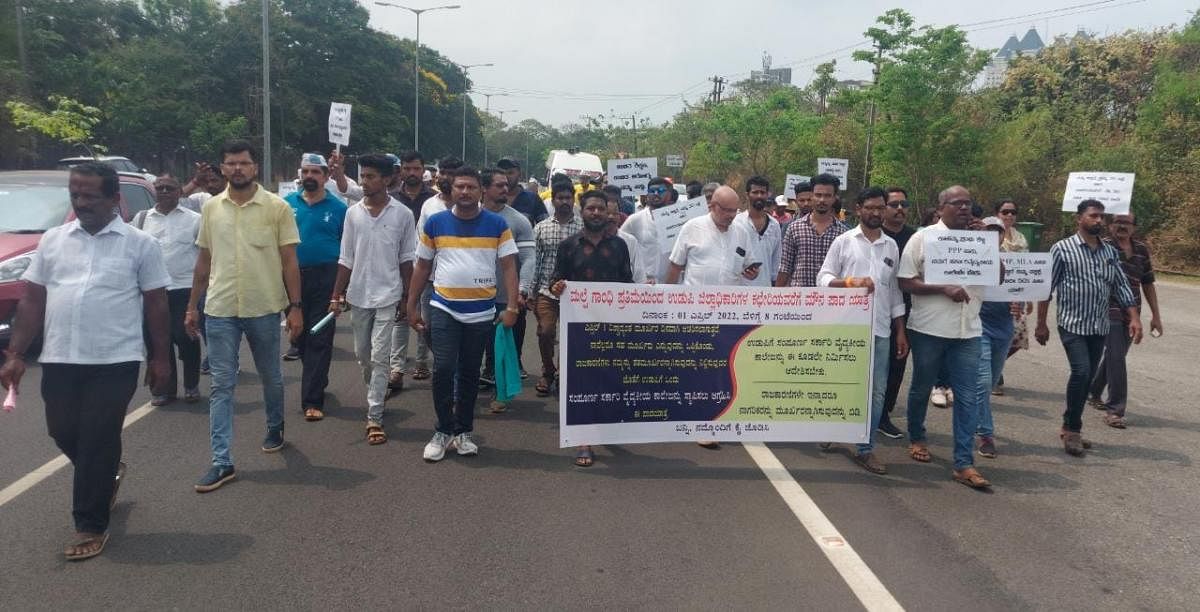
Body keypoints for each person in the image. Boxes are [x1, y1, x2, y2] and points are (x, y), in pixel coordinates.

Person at [0, 162, 172, 561]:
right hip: (60, 356)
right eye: (75, 195)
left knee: (97, 435)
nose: (81, 203)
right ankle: (106, 472)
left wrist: (160, 359)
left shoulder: (140, 244)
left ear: (114, 199)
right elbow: (33, 300)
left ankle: (90, 523)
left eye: (90, 196)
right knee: (61, 430)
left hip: (116, 358)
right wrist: (15, 354)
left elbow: (157, 305)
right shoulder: (53, 241)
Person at [185, 140, 303, 492]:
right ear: (223, 168)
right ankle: (222, 461)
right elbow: (204, 261)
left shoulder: (277, 208)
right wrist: (192, 305)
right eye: (231, 163)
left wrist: (294, 308)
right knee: (222, 384)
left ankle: (275, 424)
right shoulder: (211, 209)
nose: (238, 169)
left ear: (255, 168)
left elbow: (289, 261)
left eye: (244, 163)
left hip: (264, 307)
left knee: (271, 376)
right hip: (219, 309)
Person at [405, 167, 519, 462]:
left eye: (471, 187)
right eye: (460, 187)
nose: (465, 192)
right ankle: (443, 430)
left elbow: (509, 266)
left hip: (481, 312)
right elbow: (421, 267)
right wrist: (411, 303)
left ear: (481, 190)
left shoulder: (496, 224)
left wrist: (512, 307)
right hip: (443, 308)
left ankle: (463, 432)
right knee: (443, 368)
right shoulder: (435, 222)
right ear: (450, 190)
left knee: (469, 373)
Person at [897, 185, 991, 489]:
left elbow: (999, 276)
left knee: (968, 395)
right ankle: (918, 437)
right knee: (922, 386)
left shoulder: (981, 240)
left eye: (968, 203)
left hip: (969, 330)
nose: (964, 208)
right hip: (929, 329)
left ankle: (963, 463)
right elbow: (905, 281)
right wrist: (942, 288)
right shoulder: (922, 239)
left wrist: (990, 243)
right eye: (957, 203)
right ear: (941, 208)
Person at [1036, 200, 1141, 455]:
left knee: (1086, 378)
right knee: (1082, 373)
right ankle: (1073, 430)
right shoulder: (1062, 249)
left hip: (1100, 325)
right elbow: (1046, 288)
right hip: (1072, 324)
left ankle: (1068, 423)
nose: (1099, 221)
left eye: (1102, 217)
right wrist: (1041, 324)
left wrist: (1134, 317)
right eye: (1094, 216)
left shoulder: (1109, 252)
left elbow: (1121, 287)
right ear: (1079, 219)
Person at [817, 187, 908, 474]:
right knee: (843, 385)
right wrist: (848, 283)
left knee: (877, 392)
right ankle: (835, 428)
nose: (876, 212)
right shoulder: (844, 242)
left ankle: (865, 448)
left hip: (880, 330)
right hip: (846, 329)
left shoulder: (891, 246)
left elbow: (894, 292)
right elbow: (824, 277)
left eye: (881, 207)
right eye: (870, 207)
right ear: (858, 209)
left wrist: (900, 331)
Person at [329, 154, 417, 445]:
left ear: (387, 179)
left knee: (380, 357)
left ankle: (374, 415)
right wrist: (336, 294)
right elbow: (346, 258)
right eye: (362, 176)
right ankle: (375, 392)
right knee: (362, 355)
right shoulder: (353, 213)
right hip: (358, 294)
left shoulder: (403, 214)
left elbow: (407, 260)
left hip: (389, 294)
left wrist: (408, 297)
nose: (364, 182)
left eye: (370, 176)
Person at [665, 186, 760, 448]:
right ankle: (699, 420)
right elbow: (675, 267)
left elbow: (749, 265)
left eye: (735, 210)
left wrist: (750, 271)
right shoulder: (692, 227)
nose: (732, 215)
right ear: (712, 206)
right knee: (697, 367)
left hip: (728, 314)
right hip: (694, 312)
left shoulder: (742, 230)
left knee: (722, 368)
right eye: (727, 210)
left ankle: (713, 419)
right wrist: (667, 303)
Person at [548, 190, 635, 466]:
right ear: (581, 212)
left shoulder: (619, 246)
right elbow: (555, 282)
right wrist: (558, 287)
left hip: (611, 326)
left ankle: (604, 425)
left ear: (608, 213)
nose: (596, 213)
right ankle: (583, 440)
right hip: (579, 328)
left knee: (608, 378)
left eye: (601, 209)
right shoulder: (568, 246)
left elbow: (626, 284)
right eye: (591, 209)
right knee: (580, 381)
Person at [283, 153, 347, 422]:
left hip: (326, 278)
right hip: (292, 278)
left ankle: (312, 399)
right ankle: (316, 378)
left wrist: (342, 290)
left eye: (316, 172)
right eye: (306, 171)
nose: (310, 177)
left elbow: (348, 251)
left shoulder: (340, 208)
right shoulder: (285, 206)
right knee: (299, 336)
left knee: (319, 336)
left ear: (326, 176)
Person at [1087, 212, 1162, 428]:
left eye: (1127, 223)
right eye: (1118, 222)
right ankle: (1115, 410)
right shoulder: (1101, 246)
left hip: (1132, 313)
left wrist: (1156, 316)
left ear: (1134, 228)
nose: (1122, 226)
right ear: (1110, 225)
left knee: (1115, 354)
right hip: (1106, 308)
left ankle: (1093, 391)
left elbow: (1147, 283)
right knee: (1117, 356)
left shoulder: (1141, 250)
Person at [135, 175, 203, 406]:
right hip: (153, 292)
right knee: (155, 341)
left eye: (169, 188)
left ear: (179, 192)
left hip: (184, 290)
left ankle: (191, 385)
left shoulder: (195, 220)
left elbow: (205, 256)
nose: (164, 191)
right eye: (159, 188)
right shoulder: (142, 219)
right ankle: (163, 389)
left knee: (185, 338)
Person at [478, 167, 535, 413]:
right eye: (499, 185)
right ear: (484, 189)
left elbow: (528, 258)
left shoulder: (518, 220)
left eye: (506, 185)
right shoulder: (468, 216)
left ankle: (500, 393)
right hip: (472, 297)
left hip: (505, 297)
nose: (505, 189)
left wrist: (522, 290)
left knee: (501, 347)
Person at [388, 150, 436, 391]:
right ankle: (396, 368)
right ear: (401, 171)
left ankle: (421, 361)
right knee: (401, 314)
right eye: (407, 169)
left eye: (416, 168)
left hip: (425, 265)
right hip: (398, 264)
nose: (411, 173)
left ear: (423, 169)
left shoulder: (433, 200)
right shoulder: (391, 199)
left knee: (422, 316)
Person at [530, 180, 582, 396]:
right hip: (546, 290)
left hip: (576, 293)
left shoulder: (582, 228)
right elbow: (535, 260)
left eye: (568, 198)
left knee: (572, 337)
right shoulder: (541, 227)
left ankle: (564, 374)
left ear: (573, 200)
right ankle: (548, 371)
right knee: (546, 331)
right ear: (553, 200)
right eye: (560, 198)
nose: (564, 202)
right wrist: (530, 291)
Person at [974, 217, 1017, 459]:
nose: (994, 235)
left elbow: (1023, 291)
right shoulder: (972, 254)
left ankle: (971, 413)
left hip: (1004, 328)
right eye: (988, 231)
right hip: (979, 325)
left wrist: (1020, 305)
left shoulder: (1014, 259)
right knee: (982, 381)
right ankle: (986, 434)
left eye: (998, 231)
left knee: (988, 385)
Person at [878, 186, 916, 439]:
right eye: (894, 205)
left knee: (896, 366)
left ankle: (884, 414)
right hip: (873, 312)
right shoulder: (874, 236)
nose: (900, 209)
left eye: (904, 204)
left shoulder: (916, 238)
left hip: (907, 312)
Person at [776, 174, 849, 288]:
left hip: (831, 300)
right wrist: (776, 297)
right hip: (799, 300)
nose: (822, 200)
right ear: (812, 196)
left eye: (827, 196)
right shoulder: (794, 228)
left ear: (834, 198)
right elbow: (785, 268)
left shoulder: (843, 233)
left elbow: (845, 270)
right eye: (818, 195)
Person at [995, 199, 1031, 388]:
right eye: (1005, 212)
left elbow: (1027, 269)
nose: (1009, 215)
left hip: (1017, 294)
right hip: (994, 295)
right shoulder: (992, 233)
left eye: (1013, 212)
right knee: (998, 334)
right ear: (997, 214)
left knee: (1016, 338)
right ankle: (995, 371)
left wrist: (1028, 296)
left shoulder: (1021, 239)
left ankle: (997, 364)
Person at [620, 177, 676, 284]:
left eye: (660, 191)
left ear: (669, 194)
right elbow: (620, 245)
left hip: (671, 284)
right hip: (643, 284)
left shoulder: (678, 220)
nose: (656, 194)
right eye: (652, 191)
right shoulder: (635, 219)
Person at [733, 176, 782, 287]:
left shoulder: (774, 225)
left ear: (767, 195)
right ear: (747, 195)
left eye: (762, 192)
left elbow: (776, 260)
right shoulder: (736, 223)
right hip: (738, 291)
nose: (759, 196)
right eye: (755, 192)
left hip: (765, 292)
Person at [605, 189, 647, 283]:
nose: (611, 217)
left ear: (620, 216)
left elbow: (639, 274)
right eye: (607, 213)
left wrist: (645, 286)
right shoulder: (593, 240)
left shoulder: (630, 241)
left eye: (615, 213)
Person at [498, 157, 548, 228]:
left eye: (510, 173)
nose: (506, 176)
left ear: (520, 175)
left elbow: (545, 227)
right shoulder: (492, 197)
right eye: (502, 173)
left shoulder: (532, 199)